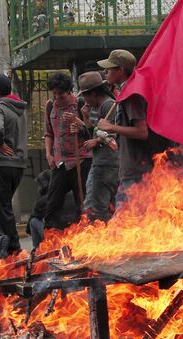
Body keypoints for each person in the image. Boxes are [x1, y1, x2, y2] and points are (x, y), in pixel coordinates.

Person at [97, 49, 154, 209]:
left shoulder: (132, 96)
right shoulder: (126, 93)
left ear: (120, 71)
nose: (105, 71)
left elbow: (142, 131)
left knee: (126, 222)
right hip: (133, 169)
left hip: (137, 171)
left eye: (109, 68)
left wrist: (110, 127)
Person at [0, 74, 28, 259]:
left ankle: (14, 246)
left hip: (3, 162)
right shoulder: (20, 108)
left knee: (3, 206)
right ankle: (1, 244)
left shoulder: (0, 107)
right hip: (19, 163)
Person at [43, 72, 92, 229]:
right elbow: (48, 133)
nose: (57, 97)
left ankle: (83, 237)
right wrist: (48, 154)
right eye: (54, 93)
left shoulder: (80, 104)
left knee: (82, 203)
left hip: (81, 161)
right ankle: (49, 241)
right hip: (60, 163)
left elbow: (91, 131)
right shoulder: (50, 105)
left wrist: (77, 122)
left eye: (61, 94)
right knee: (52, 204)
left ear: (69, 92)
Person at [78, 71, 118, 221]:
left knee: (95, 207)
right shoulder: (94, 107)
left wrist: (97, 141)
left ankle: (97, 234)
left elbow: (112, 133)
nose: (85, 100)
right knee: (95, 205)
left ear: (94, 93)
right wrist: (86, 118)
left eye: (86, 96)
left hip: (106, 163)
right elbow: (94, 133)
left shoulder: (108, 105)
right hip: (99, 162)